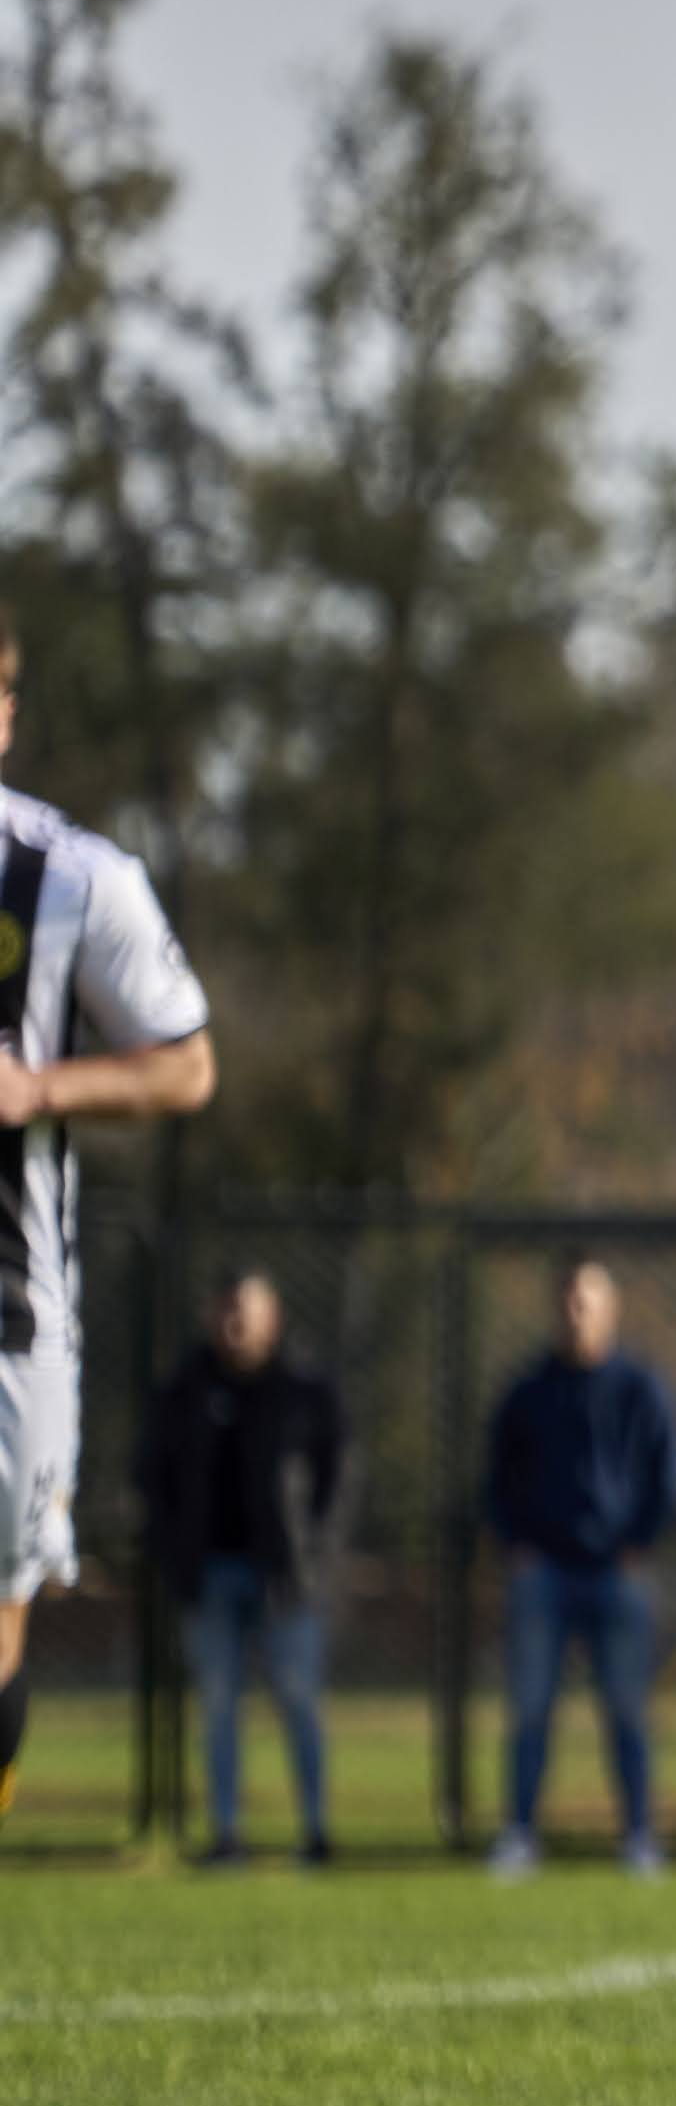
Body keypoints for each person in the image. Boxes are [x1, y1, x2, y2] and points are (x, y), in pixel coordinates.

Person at [0, 606, 222, 1827]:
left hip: (9, 1320)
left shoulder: (73, 880)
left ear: (5, 715)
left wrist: (38, 1089)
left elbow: (186, 1065)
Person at [135, 1267, 348, 1865]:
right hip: (209, 1574)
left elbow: (337, 1479)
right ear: (211, 1316)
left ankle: (316, 1831)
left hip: (286, 1579)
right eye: (226, 1311)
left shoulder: (304, 1388)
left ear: (271, 1317)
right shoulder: (184, 1389)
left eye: (246, 1312)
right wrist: (174, 1552)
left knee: (299, 1699)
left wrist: (313, 1554)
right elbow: (151, 1478)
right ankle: (226, 1835)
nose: (235, 1325)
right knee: (219, 1706)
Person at [483, 1256, 676, 1877]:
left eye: (588, 1303)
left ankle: (639, 1835)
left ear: (610, 1308)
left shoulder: (640, 1389)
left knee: (626, 1709)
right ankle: (520, 1833)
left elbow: (668, 1476)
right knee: (531, 1707)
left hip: (616, 1573)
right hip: (543, 1572)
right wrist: (517, 1545)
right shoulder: (528, 1391)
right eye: (569, 1302)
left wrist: (638, 1542)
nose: (578, 1315)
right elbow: (496, 1479)